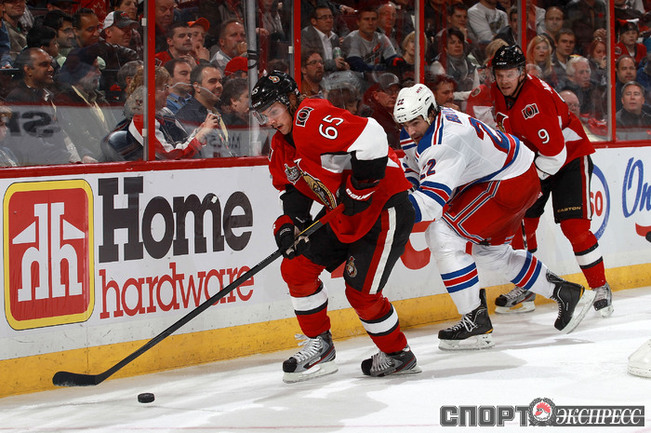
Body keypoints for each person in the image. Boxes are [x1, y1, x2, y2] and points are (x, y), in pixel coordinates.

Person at [393, 83, 594, 349]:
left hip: (506, 183)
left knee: (442, 235)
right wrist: (407, 186)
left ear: (431, 112)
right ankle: (565, 292)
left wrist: (385, 211)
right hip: (514, 175)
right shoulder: (428, 126)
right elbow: (415, 167)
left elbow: (430, 205)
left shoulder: (445, 140)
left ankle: (474, 323)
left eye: (415, 123)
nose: (410, 130)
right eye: (404, 124)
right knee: (492, 253)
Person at [250, 71, 421, 380]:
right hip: (344, 213)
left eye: (274, 111)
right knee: (296, 268)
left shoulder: (310, 117)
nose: (270, 120)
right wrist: (289, 225)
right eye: (264, 115)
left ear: (291, 100)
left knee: (361, 294)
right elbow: (293, 192)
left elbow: (373, 136)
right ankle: (320, 347)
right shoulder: (280, 146)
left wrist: (360, 189)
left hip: (384, 207)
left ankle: (398, 354)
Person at [490, 45, 613, 317]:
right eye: (500, 74)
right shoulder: (497, 92)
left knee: (574, 227)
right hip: (536, 158)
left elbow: (555, 155)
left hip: (568, 158)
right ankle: (527, 287)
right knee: (523, 223)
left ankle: (600, 287)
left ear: (522, 73)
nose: (504, 80)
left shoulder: (536, 100)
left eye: (510, 74)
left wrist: (527, 180)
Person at [129, 66, 219, 160]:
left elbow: (183, 141)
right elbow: (172, 156)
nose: (168, 92)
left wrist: (200, 130)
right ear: (148, 92)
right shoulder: (142, 120)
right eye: (164, 88)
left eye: (168, 87)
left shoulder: (165, 112)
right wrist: (201, 134)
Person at [176, 63, 231, 157]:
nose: (219, 86)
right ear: (197, 87)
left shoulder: (220, 113)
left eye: (220, 81)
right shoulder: (186, 116)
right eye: (212, 81)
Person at [342, 5, 400, 73]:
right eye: (366, 19)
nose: (370, 23)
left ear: (377, 21)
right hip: (355, 77)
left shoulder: (382, 38)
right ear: (358, 22)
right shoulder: (351, 39)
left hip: (377, 76)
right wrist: (386, 68)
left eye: (373, 19)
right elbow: (359, 67)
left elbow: (394, 61)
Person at [300, 4, 349, 74]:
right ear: (314, 21)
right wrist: (333, 64)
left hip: (333, 77)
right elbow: (310, 63)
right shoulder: (306, 35)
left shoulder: (334, 37)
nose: (329, 20)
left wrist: (343, 64)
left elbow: (339, 59)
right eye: (324, 18)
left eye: (331, 17)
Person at [362, 72, 402, 150]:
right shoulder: (373, 118)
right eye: (389, 91)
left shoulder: (399, 112)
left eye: (396, 91)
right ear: (376, 95)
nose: (394, 95)